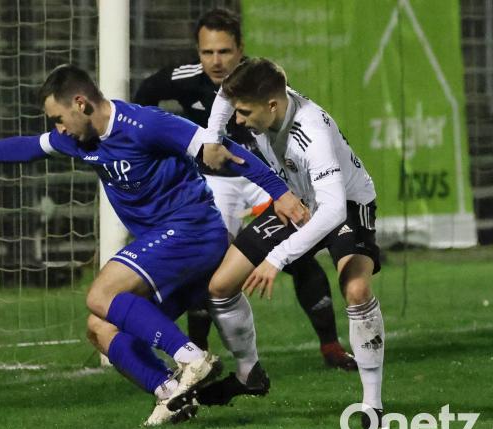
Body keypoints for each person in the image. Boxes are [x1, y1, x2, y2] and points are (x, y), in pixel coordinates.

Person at [0, 64, 308, 426]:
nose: (59, 129)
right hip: (167, 248)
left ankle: (192, 358)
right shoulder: (79, 139)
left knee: (101, 293)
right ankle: (171, 395)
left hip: (193, 230)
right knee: (99, 327)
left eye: (59, 118)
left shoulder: (144, 124)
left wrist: (280, 193)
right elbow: (26, 148)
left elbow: (223, 150)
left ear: (81, 103)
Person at [133, 8, 356, 404]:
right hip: (218, 186)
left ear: (241, 51)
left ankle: (330, 346)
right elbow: (142, 102)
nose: (216, 61)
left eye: (224, 51)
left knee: (303, 259)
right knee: (212, 271)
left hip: (265, 180)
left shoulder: (262, 88)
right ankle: (200, 357)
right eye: (207, 52)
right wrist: (185, 146)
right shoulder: (184, 80)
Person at [177, 58, 386, 429]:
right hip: (297, 200)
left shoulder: (312, 133)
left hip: (346, 205)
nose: (238, 121)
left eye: (244, 113)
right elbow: (227, 96)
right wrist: (213, 134)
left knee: (355, 289)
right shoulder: (263, 100)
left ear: (272, 106)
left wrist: (277, 257)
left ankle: (372, 404)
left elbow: (333, 210)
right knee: (220, 286)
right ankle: (248, 375)